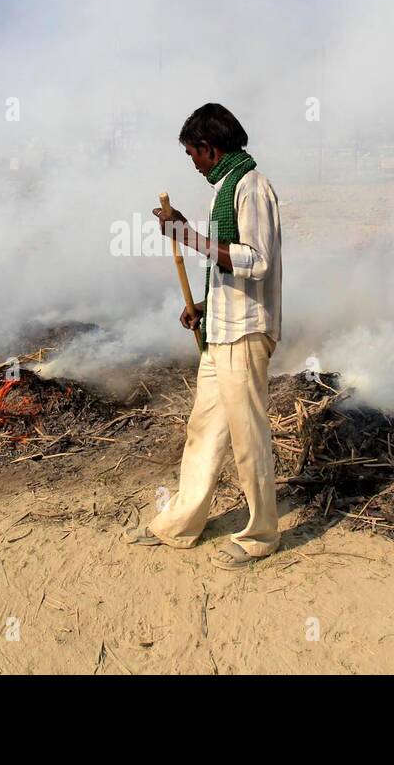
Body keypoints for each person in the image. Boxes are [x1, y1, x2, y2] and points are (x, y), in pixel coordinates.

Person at [123, 102, 283, 569]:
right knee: (204, 430)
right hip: (222, 330)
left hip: (246, 333)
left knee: (247, 435)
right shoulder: (224, 187)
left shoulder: (252, 188)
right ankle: (181, 524)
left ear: (210, 148)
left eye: (193, 153)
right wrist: (201, 308)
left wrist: (188, 236)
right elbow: (226, 267)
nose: (192, 162)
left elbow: (256, 260)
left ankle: (261, 534)